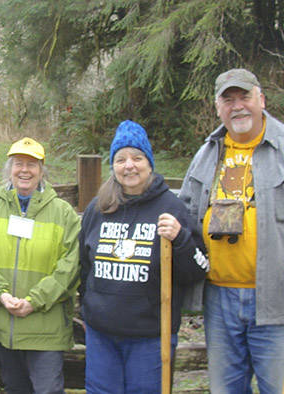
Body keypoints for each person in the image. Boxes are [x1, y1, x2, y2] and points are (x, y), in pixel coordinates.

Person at [79, 120, 208, 393]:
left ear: (149, 163)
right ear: (113, 166)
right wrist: (90, 308)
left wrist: (180, 239)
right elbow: (84, 265)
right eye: (121, 159)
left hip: (150, 337)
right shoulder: (98, 208)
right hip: (102, 335)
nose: (129, 166)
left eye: (137, 158)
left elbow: (199, 269)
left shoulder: (172, 208)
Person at [179, 68, 284, 393]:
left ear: (261, 99)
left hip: (275, 300)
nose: (237, 106)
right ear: (217, 107)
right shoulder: (205, 155)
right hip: (219, 300)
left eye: (244, 97)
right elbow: (185, 214)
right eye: (229, 100)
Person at [0, 137, 80, 394]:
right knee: (15, 388)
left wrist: (35, 300)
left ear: (42, 170)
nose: (24, 170)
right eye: (18, 163)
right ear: (9, 169)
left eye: (32, 164)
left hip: (45, 327)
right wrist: (1, 295)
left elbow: (69, 267)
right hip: (2, 323)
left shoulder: (63, 213)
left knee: (47, 389)